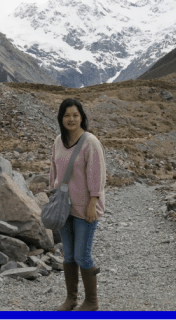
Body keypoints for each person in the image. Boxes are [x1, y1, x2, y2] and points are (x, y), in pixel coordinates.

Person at [47, 99, 106, 311]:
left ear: (81, 117)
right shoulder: (57, 141)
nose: (71, 119)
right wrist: (52, 192)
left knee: (83, 255)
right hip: (64, 208)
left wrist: (94, 202)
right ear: (61, 119)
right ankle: (71, 299)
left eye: (75, 115)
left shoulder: (90, 142)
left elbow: (97, 175)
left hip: (85, 209)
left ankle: (91, 302)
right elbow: (54, 170)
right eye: (66, 115)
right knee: (69, 255)